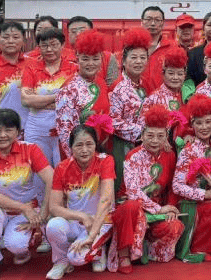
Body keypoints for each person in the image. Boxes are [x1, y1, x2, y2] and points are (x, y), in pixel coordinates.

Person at [45, 124, 140, 278]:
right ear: (71, 147)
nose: (84, 150)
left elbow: (106, 200)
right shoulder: (62, 168)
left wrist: (91, 235)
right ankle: (61, 261)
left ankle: (98, 250)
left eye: (89, 144)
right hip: (76, 220)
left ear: (96, 145)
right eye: (79, 145)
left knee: (76, 258)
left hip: (101, 221)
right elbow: (54, 207)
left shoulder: (105, 161)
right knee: (53, 225)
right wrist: (82, 216)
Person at [0, 108, 54, 280]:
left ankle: (21, 248)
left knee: (16, 245)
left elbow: (52, 180)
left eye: (8, 130)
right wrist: (24, 208)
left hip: (24, 212)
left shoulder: (30, 149)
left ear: (18, 132)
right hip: (0, 209)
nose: (3, 135)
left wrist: (43, 214)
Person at [120, 106, 183, 266]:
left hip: (159, 211)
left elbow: (172, 186)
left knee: (174, 226)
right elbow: (132, 191)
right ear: (142, 135)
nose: (155, 140)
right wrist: (158, 209)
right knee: (132, 207)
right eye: (150, 135)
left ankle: (149, 246)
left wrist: (170, 207)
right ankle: (129, 253)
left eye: (160, 136)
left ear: (166, 137)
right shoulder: (133, 156)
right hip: (134, 209)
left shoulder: (169, 155)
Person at [172, 94, 211, 262]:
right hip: (192, 203)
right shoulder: (188, 151)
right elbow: (177, 186)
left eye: (208, 122)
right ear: (192, 125)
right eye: (199, 123)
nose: (204, 127)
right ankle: (200, 247)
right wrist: (205, 194)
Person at [20, 27, 77, 167]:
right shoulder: (31, 68)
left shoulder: (73, 69)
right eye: (44, 46)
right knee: (37, 170)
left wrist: (38, 101)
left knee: (64, 169)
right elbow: (26, 100)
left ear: (62, 45)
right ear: (39, 47)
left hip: (65, 128)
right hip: (36, 129)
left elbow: (74, 101)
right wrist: (59, 96)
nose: (49, 49)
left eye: (54, 45)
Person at [55, 29, 112, 161]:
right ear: (77, 58)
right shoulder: (69, 88)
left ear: (102, 59)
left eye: (95, 59)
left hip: (101, 152)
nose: (91, 64)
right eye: (85, 59)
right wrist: (79, 160)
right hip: (79, 156)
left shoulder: (101, 82)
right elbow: (64, 131)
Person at [107, 28, 153, 192]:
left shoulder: (146, 84)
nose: (138, 61)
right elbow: (112, 121)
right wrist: (140, 131)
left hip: (145, 146)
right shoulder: (117, 87)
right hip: (122, 145)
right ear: (124, 62)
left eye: (142, 57)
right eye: (133, 57)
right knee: (125, 186)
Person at [142, 46, 194, 112]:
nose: (175, 78)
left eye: (180, 74)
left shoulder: (188, 96)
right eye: (171, 73)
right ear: (163, 74)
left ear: (184, 75)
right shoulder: (154, 99)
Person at [141, 5, 177, 93]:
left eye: (157, 20)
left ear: (163, 23)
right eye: (148, 19)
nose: (153, 23)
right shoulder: (133, 46)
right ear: (142, 22)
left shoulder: (173, 47)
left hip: (164, 97)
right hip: (136, 97)